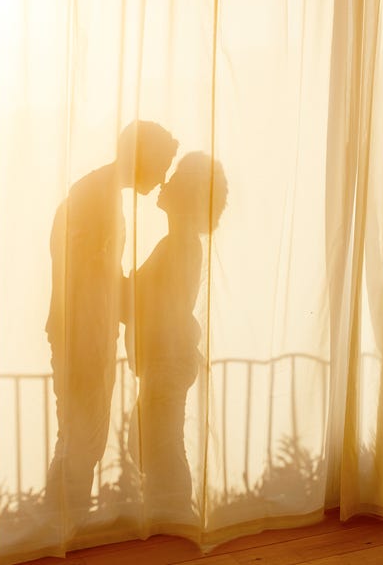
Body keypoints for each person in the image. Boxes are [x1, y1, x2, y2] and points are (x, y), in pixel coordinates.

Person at [44, 121, 178, 529]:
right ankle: (64, 527)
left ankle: (60, 528)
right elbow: (90, 279)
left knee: (77, 437)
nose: (162, 179)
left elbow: (100, 277)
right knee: (82, 439)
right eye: (161, 166)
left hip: (85, 333)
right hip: (82, 336)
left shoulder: (96, 194)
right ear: (142, 158)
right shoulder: (94, 199)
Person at [123, 151, 228, 522]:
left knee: (161, 446)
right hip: (168, 360)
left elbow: (148, 304)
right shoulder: (178, 244)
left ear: (185, 195)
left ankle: (176, 520)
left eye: (174, 178)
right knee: (152, 443)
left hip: (169, 361)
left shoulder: (179, 245)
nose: (164, 183)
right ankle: (172, 517)